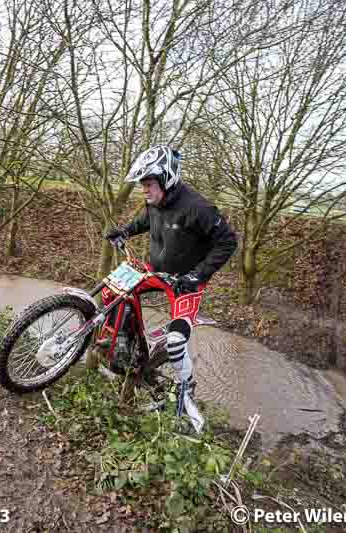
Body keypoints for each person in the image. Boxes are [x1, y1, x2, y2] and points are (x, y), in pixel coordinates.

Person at [104, 145, 238, 432]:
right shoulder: (156, 201)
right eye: (142, 185)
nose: (144, 190)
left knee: (176, 340)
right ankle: (126, 348)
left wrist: (197, 275)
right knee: (112, 290)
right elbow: (147, 220)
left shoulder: (198, 208)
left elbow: (227, 242)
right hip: (155, 271)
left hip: (185, 282)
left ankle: (185, 390)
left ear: (167, 179)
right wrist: (125, 231)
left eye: (148, 184)